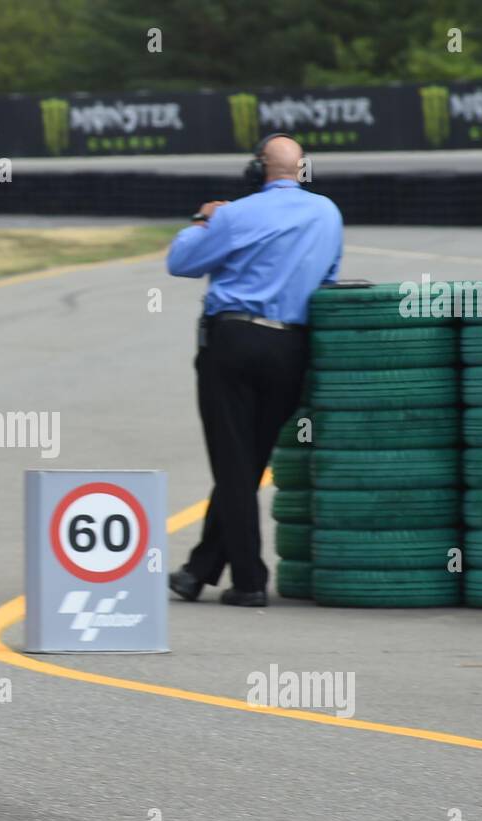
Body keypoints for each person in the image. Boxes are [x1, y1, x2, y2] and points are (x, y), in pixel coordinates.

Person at [165, 133, 342, 607]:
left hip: (235, 340)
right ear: (303, 169)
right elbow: (328, 279)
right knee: (247, 462)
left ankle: (248, 581)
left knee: (232, 463)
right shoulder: (328, 213)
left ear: (256, 169)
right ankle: (198, 569)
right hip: (291, 345)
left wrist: (205, 220)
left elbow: (180, 262)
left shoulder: (237, 214)